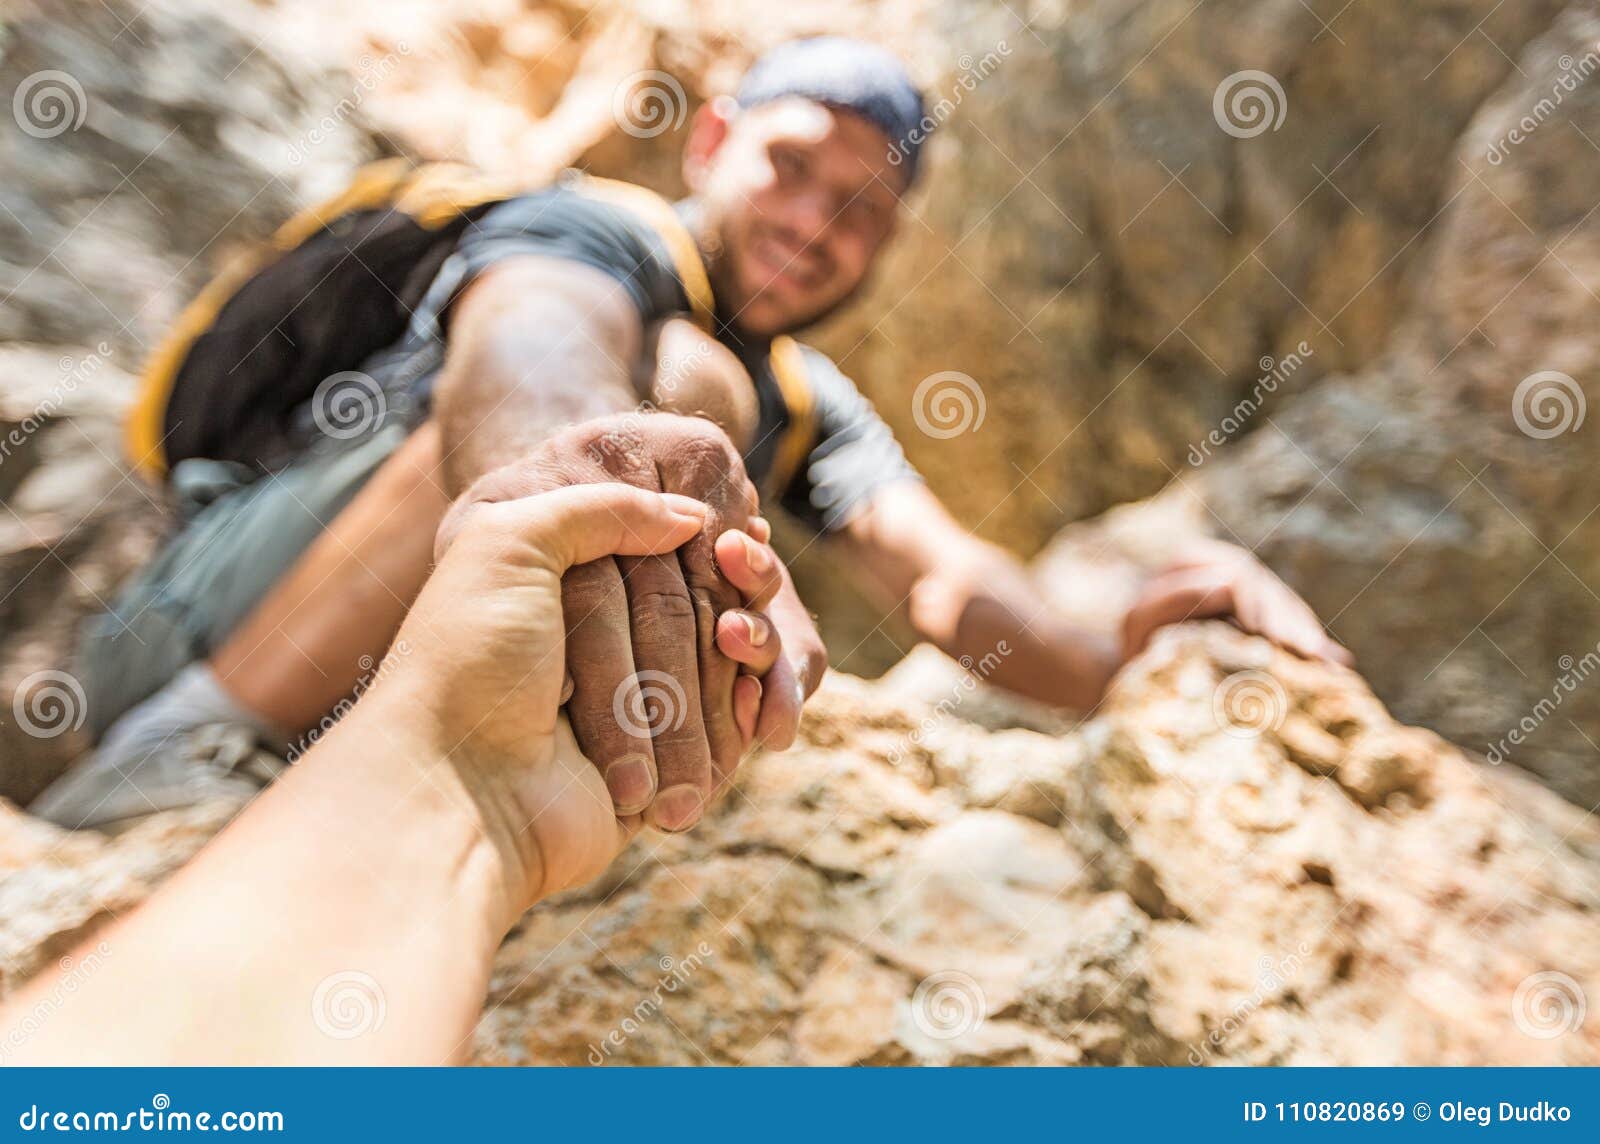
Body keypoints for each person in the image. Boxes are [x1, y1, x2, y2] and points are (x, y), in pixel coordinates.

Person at [31, 37, 1351, 834]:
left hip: (384, 636)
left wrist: (1135, 649)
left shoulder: (808, 401)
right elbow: (530, 348)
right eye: (794, 167)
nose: (816, 226)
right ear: (713, 140)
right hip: (190, 625)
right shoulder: (592, 233)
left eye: (861, 212)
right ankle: (186, 749)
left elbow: (948, 584)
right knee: (675, 393)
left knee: (699, 397)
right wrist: (593, 474)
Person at [1, 484, 733, 1063]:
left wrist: (477, 791)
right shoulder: (562, 305)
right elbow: (534, 333)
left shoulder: (809, 415)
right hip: (184, 729)